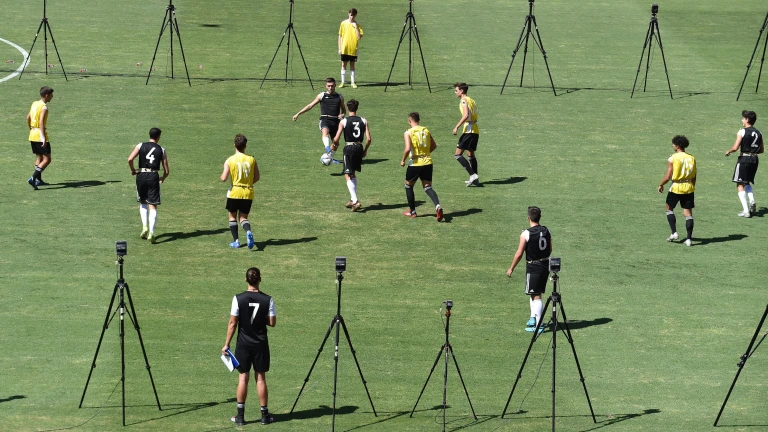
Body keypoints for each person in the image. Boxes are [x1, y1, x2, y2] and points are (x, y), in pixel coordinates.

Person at [222, 267, 277, 426]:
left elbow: (233, 323)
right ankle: (264, 416)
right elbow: (272, 322)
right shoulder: (268, 299)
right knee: (260, 378)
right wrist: (260, 318)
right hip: (260, 344)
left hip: (243, 345)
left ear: (246, 279)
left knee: (243, 378)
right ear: (260, 279)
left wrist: (226, 344)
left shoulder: (238, 298)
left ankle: (240, 417)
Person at [506, 206, 552, 332]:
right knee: (534, 291)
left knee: (536, 295)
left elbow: (519, 253)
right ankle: (533, 318)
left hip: (534, 266)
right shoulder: (547, 230)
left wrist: (511, 268)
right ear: (540, 217)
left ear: (528, 218)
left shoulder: (526, 233)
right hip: (545, 264)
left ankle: (538, 325)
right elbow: (550, 249)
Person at [127, 128, 169, 244]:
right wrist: (162, 178)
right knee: (153, 206)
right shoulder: (161, 149)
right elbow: (166, 171)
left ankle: (144, 226)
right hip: (153, 176)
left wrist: (133, 170)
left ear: (149, 135)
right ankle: (151, 232)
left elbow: (130, 159)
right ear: (158, 137)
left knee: (143, 202)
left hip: (141, 175)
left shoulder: (140, 145)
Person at [400, 112, 444, 221]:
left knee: (408, 186)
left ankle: (413, 211)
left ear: (409, 121)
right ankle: (438, 206)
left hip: (415, 163)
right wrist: (426, 154)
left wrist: (403, 160)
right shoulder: (425, 130)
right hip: (428, 162)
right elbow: (434, 145)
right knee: (428, 187)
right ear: (419, 120)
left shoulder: (408, 132)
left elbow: (407, 148)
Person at [292, 78, 346, 161]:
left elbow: (343, 109)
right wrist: (298, 113)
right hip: (325, 119)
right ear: (326, 86)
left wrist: (342, 114)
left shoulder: (340, 97)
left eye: (332, 86)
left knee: (336, 143)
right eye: (328, 86)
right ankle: (327, 148)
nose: (330, 88)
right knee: (325, 131)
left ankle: (330, 157)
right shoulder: (322, 95)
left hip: (335, 121)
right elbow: (310, 106)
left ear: (335, 85)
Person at [221, 134, 260, 249]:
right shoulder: (252, 159)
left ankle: (236, 241)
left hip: (234, 191)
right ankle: (248, 231)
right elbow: (257, 177)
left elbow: (223, 178)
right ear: (245, 146)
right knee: (243, 218)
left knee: (232, 216)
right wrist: (248, 183)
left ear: (234, 145)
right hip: (248, 192)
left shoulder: (230, 160)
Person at [332, 99, 371, 212]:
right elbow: (368, 139)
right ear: (357, 108)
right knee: (352, 173)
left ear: (348, 108)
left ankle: (355, 200)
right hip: (359, 147)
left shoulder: (344, 121)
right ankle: (352, 199)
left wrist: (334, 144)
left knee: (347, 174)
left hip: (349, 148)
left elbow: (336, 138)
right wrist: (365, 150)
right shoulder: (363, 120)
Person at [658, 135, 697, 246]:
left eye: (674, 144)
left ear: (678, 146)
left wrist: (661, 184)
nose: (673, 145)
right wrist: (691, 186)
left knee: (669, 208)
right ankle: (689, 239)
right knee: (688, 214)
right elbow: (694, 176)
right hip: (689, 187)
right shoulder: (692, 158)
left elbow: (668, 176)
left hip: (676, 187)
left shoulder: (673, 158)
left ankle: (674, 233)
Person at [725, 110, 763, 217]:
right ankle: (752, 200)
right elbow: (762, 149)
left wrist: (729, 151)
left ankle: (746, 211)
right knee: (747, 182)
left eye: (743, 118)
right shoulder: (759, 132)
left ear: (747, 119)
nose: (742, 120)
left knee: (739, 183)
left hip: (744, 159)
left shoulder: (742, 131)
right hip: (755, 159)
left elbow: (735, 147)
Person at [451, 82, 479, 186]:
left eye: (456, 90)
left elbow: (466, 115)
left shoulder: (463, 100)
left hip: (469, 130)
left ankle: (472, 175)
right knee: (470, 154)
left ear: (461, 91)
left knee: (458, 154)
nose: (455, 92)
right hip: (475, 130)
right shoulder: (471, 100)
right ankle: (475, 179)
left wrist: (456, 127)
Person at [26, 86, 54, 189]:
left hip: (33, 134)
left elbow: (28, 118)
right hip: (40, 135)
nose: (52, 97)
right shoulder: (44, 107)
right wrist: (43, 138)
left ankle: (38, 180)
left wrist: (31, 129)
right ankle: (33, 178)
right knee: (47, 159)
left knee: (39, 157)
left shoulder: (34, 103)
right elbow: (41, 122)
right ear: (46, 95)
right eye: (51, 95)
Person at [338, 8, 364, 89]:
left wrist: (356, 27)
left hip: (353, 49)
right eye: (351, 15)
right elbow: (340, 36)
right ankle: (342, 82)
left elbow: (359, 37)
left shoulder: (358, 25)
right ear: (348, 14)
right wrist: (340, 48)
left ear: (356, 15)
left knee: (352, 64)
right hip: (345, 48)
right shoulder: (343, 23)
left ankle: (353, 82)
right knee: (343, 64)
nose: (352, 17)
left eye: (353, 15)